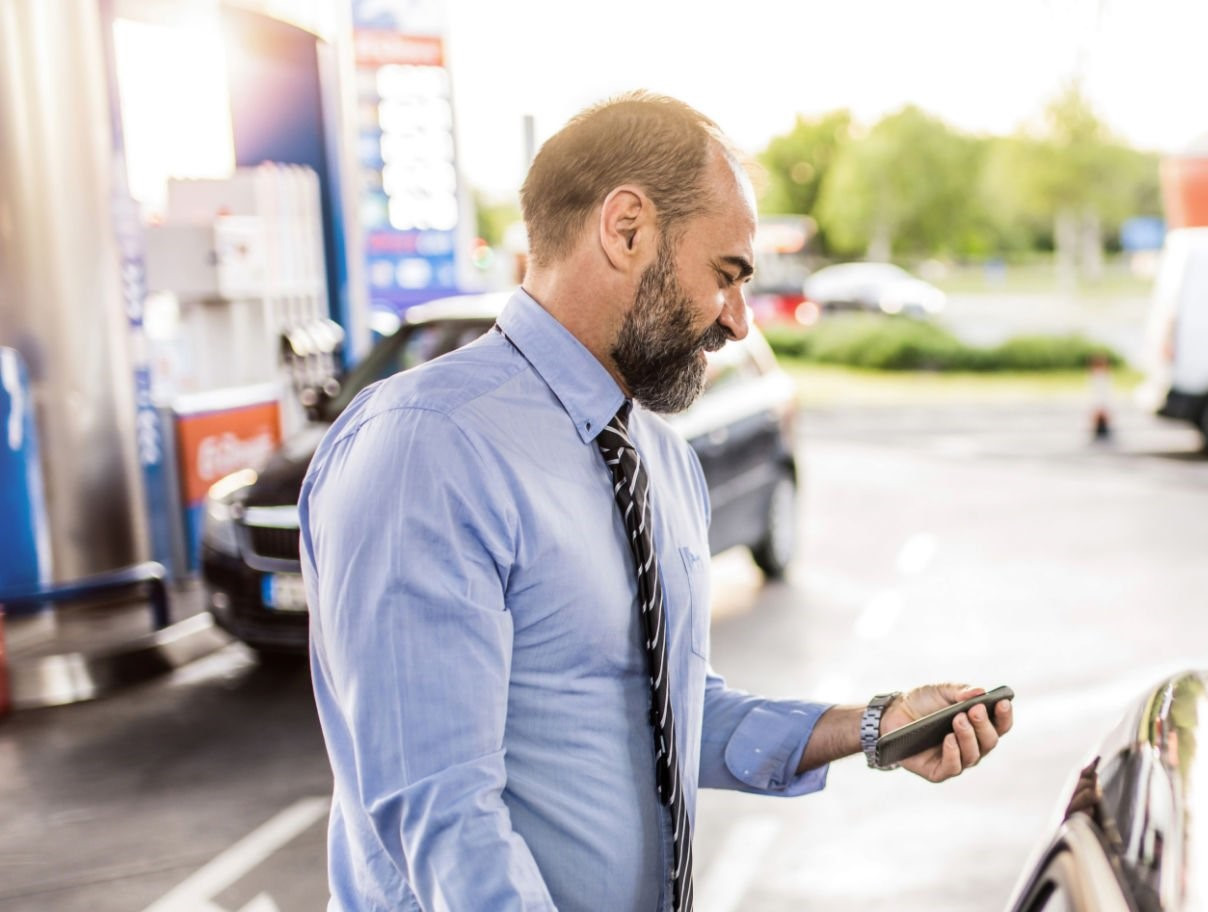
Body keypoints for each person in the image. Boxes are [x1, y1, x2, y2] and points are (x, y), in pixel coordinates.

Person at [300, 91, 1014, 912]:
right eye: (727, 275)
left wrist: (874, 725)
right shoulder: (428, 447)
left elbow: (667, 711)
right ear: (627, 227)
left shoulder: (662, 461)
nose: (741, 322)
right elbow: (440, 815)